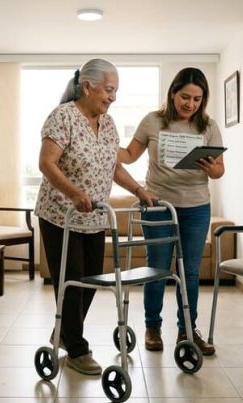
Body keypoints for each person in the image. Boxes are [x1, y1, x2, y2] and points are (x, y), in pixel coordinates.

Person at [35, 58, 148, 375]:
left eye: (115, 91)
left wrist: (140, 191)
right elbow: (47, 163)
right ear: (87, 87)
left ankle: (64, 334)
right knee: (70, 281)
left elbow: (114, 167)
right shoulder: (63, 117)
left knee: (89, 282)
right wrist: (73, 193)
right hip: (61, 216)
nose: (113, 97)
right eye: (109, 90)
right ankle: (77, 349)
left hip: (95, 217)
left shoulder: (108, 123)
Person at [118, 67, 224, 356]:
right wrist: (100, 145)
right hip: (158, 205)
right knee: (158, 269)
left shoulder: (208, 126)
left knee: (189, 271)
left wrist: (211, 166)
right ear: (172, 94)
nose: (190, 104)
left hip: (196, 207)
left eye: (197, 99)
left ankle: (187, 330)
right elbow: (128, 155)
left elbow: (218, 171)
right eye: (185, 97)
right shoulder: (152, 121)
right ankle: (152, 327)